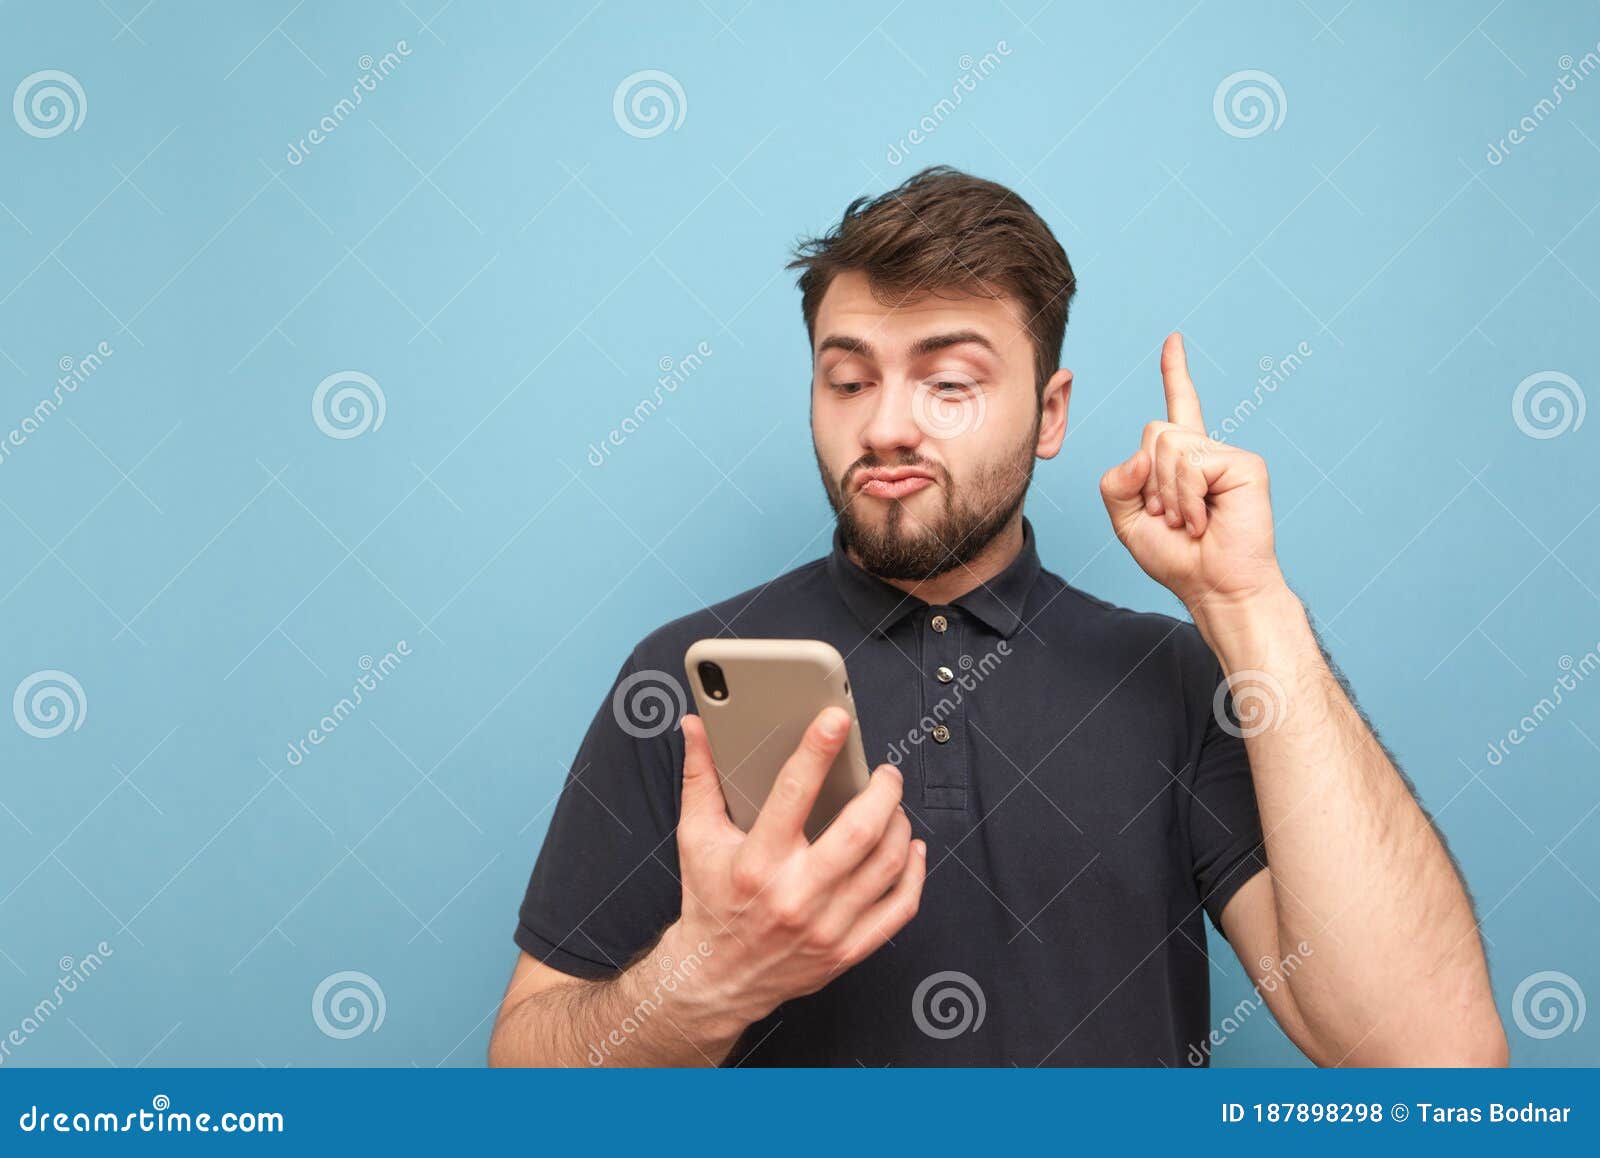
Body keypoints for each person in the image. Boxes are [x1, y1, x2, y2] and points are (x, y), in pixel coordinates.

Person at [488, 166, 1506, 1067]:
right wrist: (709, 979)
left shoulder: (1177, 680)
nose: (885, 425)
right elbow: (525, 1088)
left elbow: (1430, 1061)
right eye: (848, 380)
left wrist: (1248, 608)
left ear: (1049, 413)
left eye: (950, 383)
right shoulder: (683, 674)